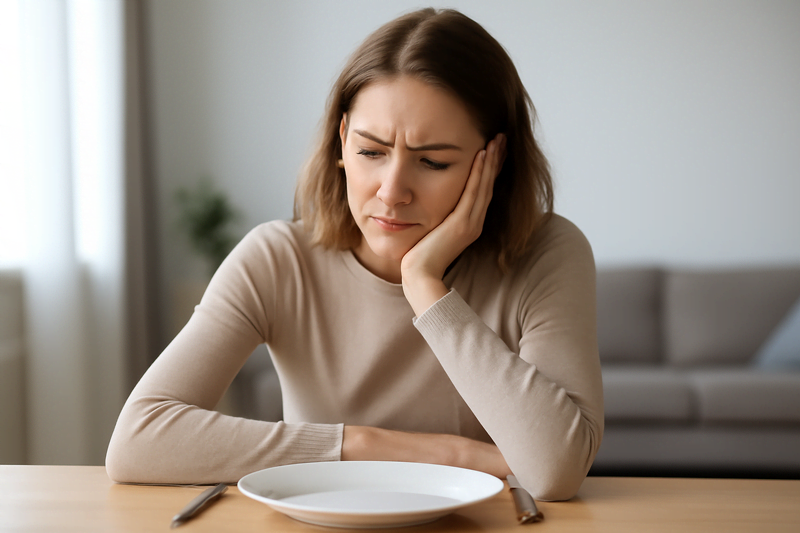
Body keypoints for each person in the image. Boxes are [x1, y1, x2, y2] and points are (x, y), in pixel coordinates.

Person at [106, 7, 603, 501]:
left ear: (494, 165)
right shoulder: (278, 259)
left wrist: (425, 285)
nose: (391, 192)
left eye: (433, 161)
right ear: (341, 141)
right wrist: (390, 446)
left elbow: (556, 472)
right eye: (371, 152)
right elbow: (137, 442)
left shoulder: (548, 253)